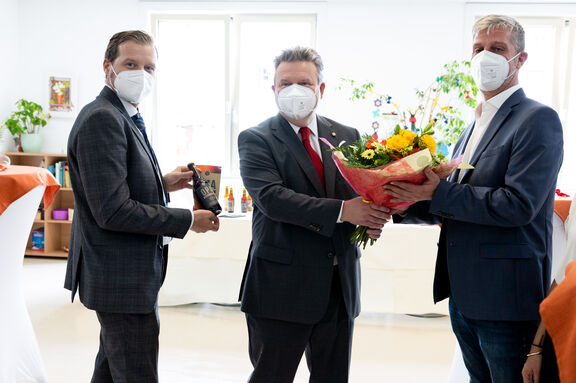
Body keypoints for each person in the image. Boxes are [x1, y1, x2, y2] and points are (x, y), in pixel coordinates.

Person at [384, 15, 564, 383]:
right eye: (478, 49)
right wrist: (399, 202)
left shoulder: (537, 119)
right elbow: (453, 204)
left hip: (505, 298)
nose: (486, 57)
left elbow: (518, 204)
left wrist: (437, 192)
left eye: (498, 49)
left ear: (521, 59)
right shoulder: (474, 124)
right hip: (464, 294)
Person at [64, 30, 219, 382]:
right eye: (130, 64)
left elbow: (110, 187)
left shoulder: (123, 113)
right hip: (120, 276)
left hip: (124, 275)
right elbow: (113, 210)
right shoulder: (103, 118)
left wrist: (162, 183)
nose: (142, 74)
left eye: (149, 67)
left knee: (112, 365)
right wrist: (186, 220)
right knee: (136, 370)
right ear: (108, 67)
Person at [237, 46, 390, 383]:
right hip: (281, 288)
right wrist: (344, 211)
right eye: (285, 83)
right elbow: (272, 199)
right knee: (272, 375)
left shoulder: (347, 136)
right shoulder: (256, 139)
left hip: (339, 285)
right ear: (274, 90)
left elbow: (360, 193)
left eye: (304, 83)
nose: (295, 90)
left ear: (320, 89)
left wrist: (373, 216)